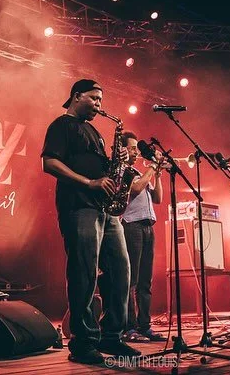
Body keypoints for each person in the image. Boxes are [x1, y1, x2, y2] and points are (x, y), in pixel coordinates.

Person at [41, 79, 141, 364]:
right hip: (79, 207)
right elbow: (49, 163)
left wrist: (118, 161)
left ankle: (112, 337)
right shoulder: (62, 125)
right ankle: (83, 343)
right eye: (94, 98)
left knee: (121, 270)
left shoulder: (95, 131)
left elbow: (105, 171)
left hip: (106, 211)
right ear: (76, 96)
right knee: (84, 272)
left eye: (100, 100)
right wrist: (89, 182)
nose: (99, 104)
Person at [119, 131, 167, 343]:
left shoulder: (139, 171)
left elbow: (157, 198)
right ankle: (129, 327)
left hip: (148, 226)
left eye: (136, 149)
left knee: (145, 281)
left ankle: (144, 325)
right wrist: (152, 167)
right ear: (121, 149)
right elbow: (136, 189)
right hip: (132, 225)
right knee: (131, 280)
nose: (135, 152)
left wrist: (157, 174)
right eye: (131, 148)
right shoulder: (122, 171)